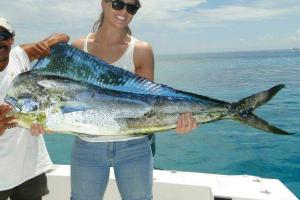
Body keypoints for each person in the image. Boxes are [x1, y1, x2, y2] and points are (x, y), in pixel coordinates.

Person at [71, 0, 198, 199]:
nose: (124, 11)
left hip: (134, 147)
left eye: (132, 8)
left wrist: (175, 123)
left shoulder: (141, 50)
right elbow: (68, 99)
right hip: (88, 145)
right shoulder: (79, 47)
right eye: (118, 4)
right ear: (103, 3)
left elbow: (149, 108)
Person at [0, 17, 69, 200]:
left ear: (11, 39)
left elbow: (63, 37)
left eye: (2, 35)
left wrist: (44, 45)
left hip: (29, 169)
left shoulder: (19, 56)